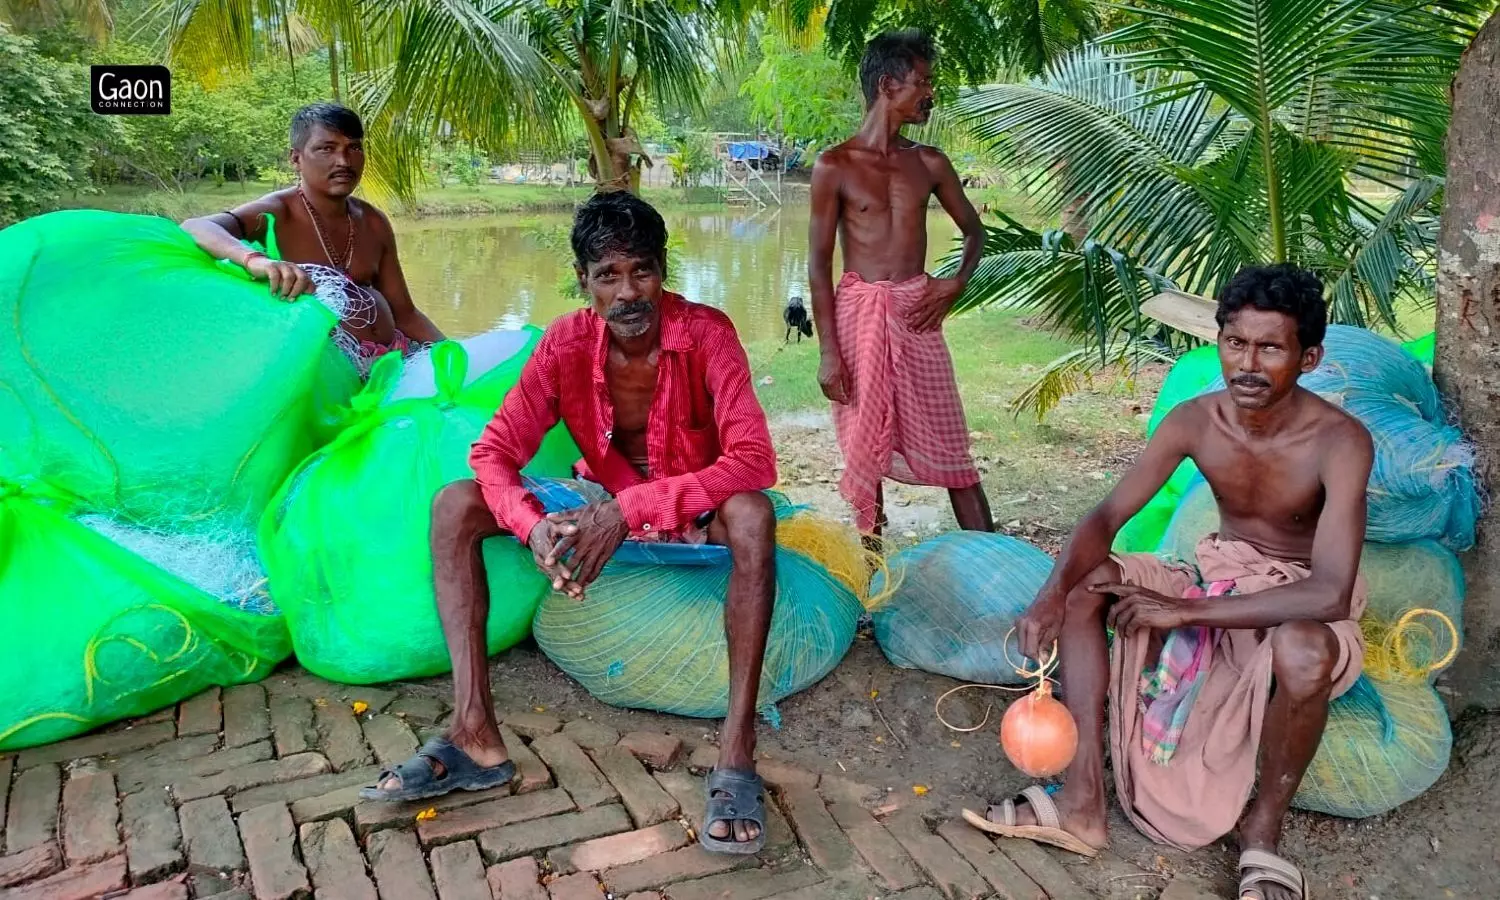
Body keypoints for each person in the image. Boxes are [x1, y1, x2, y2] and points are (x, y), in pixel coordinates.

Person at [359, 191, 780, 856]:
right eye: (607, 276)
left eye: (641, 271)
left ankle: (735, 755)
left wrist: (631, 510)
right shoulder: (564, 344)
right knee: (454, 503)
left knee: (753, 515)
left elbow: (754, 460)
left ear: (662, 271)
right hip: (599, 495)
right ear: (583, 280)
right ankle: (475, 734)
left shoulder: (707, 334)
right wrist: (531, 527)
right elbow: (492, 453)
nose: (628, 293)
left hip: (690, 509)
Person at [963, 265, 1373, 900]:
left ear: (1309, 357)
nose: (1248, 365)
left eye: (1271, 348)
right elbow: (1106, 516)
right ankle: (1081, 802)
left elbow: (1330, 593)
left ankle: (1262, 838)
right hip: (1217, 573)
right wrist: (1049, 594)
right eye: (1235, 344)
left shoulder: (1340, 441)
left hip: (1294, 592)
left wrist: (1182, 614)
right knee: (1083, 587)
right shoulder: (1194, 420)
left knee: (1302, 647)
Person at [808, 29, 993, 537]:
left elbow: (975, 233)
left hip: (916, 310)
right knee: (864, 449)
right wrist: (828, 352)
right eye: (922, 82)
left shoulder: (929, 163)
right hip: (858, 313)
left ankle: (994, 568)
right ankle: (871, 580)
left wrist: (956, 283)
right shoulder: (834, 165)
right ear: (888, 85)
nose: (930, 93)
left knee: (951, 441)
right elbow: (818, 263)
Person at [181, 102, 445, 373]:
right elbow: (196, 226)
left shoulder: (373, 221)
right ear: (296, 158)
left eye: (354, 147)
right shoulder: (278, 211)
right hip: (322, 376)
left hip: (393, 360)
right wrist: (256, 261)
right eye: (326, 149)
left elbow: (405, 314)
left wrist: (457, 354)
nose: (343, 161)